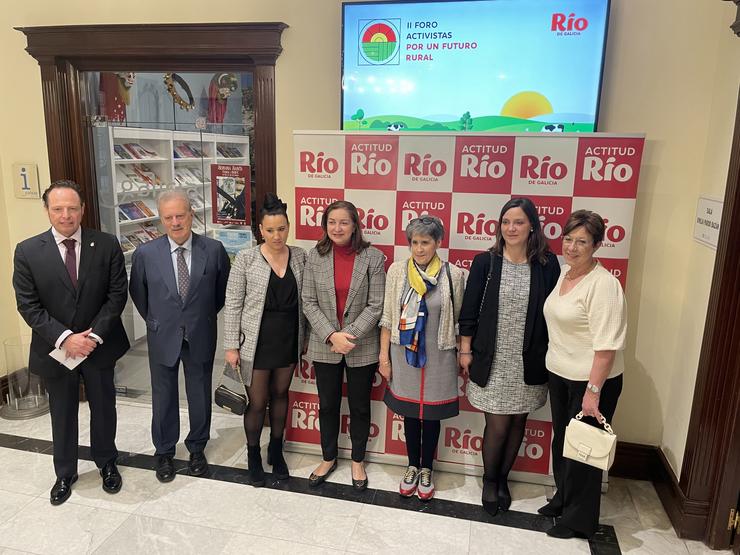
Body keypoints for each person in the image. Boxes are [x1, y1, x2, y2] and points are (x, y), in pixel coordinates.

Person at [13, 180, 130, 505]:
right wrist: (66, 338)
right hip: (56, 350)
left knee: (104, 408)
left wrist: (91, 337)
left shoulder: (106, 244)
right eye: (58, 209)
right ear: (47, 210)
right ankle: (65, 472)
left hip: (98, 346)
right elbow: (28, 304)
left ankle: (107, 463)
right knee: (62, 412)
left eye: (72, 208)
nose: (66, 215)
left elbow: (117, 294)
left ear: (83, 209)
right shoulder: (27, 251)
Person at [458, 197, 560, 516]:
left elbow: (554, 313)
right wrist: (464, 349)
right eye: (505, 222)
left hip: (530, 359)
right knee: (498, 424)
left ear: (532, 226)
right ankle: (490, 480)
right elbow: (469, 312)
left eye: (518, 222)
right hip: (493, 359)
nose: (511, 228)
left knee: (519, 421)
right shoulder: (485, 262)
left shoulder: (547, 264)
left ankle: (503, 479)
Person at [129, 188, 230, 482]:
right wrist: (160, 320)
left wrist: (197, 316)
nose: (175, 222)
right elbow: (139, 293)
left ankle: (197, 447)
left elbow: (220, 293)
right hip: (163, 334)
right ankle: (164, 452)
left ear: (192, 215)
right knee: (163, 396)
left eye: (180, 215)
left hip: (200, 332)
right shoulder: (145, 254)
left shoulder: (213, 250)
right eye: (168, 217)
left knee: (199, 393)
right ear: (161, 220)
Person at [541, 209, 627, 539]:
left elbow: (606, 348)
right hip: (560, 373)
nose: (572, 247)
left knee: (585, 452)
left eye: (582, 242)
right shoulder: (566, 273)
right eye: (568, 239)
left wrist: (593, 391)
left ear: (597, 245)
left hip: (591, 381)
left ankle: (580, 520)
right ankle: (563, 498)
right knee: (564, 443)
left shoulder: (604, 284)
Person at [223, 193, 307, 487]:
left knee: (282, 395)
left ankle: (276, 448)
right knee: (257, 402)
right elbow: (233, 303)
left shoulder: (300, 256)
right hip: (255, 342)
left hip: (288, 338)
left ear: (288, 226)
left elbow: (307, 301)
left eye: (282, 228)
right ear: (261, 229)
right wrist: (231, 345)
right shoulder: (245, 259)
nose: (276, 235)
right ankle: (253, 454)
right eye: (270, 230)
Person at [379, 216, 465, 501]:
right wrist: (384, 357)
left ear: (438, 243)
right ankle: (412, 466)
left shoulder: (453, 275)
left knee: (431, 415)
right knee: (411, 413)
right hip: (403, 353)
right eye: (414, 242)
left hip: (439, 355)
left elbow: (461, 319)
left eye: (425, 242)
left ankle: (427, 468)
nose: (419, 248)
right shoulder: (396, 271)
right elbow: (388, 317)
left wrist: (463, 352)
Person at [301, 200, 386, 491]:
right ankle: (328, 457)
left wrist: (347, 336)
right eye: (332, 222)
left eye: (344, 222)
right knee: (327, 405)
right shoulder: (315, 256)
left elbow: (376, 306)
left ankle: (358, 460)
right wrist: (331, 335)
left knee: (360, 407)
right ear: (325, 225)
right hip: (325, 344)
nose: (337, 228)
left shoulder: (373, 258)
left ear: (355, 226)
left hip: (360, 345)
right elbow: (308, 302)